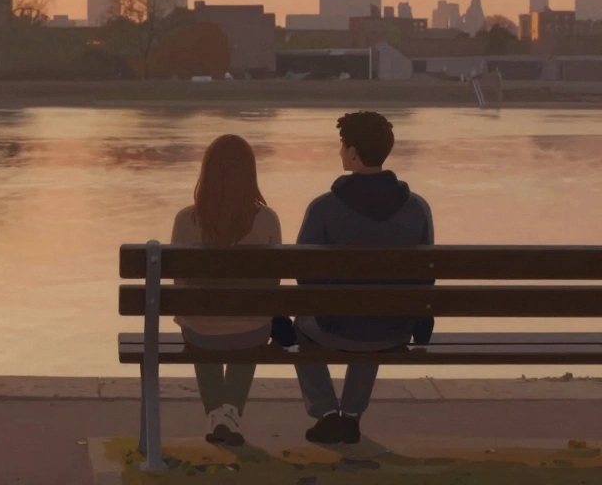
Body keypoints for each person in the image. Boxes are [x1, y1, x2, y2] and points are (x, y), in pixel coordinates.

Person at [292, 111, 435, 445]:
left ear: (353, 152)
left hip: (334, 327)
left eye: (342, 147)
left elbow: (302, 275)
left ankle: (326, 414)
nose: (340, 153)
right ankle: (351, 415)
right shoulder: (417, 208)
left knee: (302, 325)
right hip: (393, 330)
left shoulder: (323, 208)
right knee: (378, 307)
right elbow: (425, 278)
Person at [171, 134, 283, 447]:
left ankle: (216, 415)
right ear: (250, 174)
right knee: (249, 322)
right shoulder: (268, 219)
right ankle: (229, 414)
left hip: (200, 332)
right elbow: (273, 286)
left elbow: (179, 286)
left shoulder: (185, 219)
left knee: (199, 323)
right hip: (252, 330)